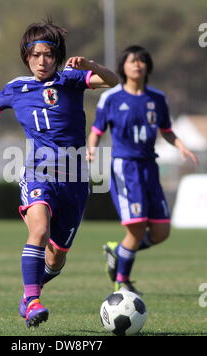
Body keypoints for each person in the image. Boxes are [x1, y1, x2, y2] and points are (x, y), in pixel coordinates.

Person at [0, 19, 118, 327]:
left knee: (56, 258)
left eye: (48, 54)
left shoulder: (71, 79)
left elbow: (113, 81)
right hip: (38, 172)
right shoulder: (17, 88)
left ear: (57, 56)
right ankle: (33, 301)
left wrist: (91, 64)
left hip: (75, 179)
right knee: (38, 231)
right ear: (26, 57)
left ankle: (29, 295)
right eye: (36, 55)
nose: (42, 61)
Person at [87, 45, 198, 295]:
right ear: (122, 67)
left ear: (147, 66)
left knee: (161, 232)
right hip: (125, 168)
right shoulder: (112, 97)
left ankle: (118, 251)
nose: (137, 64)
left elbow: (166, 130)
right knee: (136, 228)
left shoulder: (157, 99)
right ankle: (121, 280)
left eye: (141, 61)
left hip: (150, 167)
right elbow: (97, 129)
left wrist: (181, 146)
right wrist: (91, 148)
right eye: (131, 61)